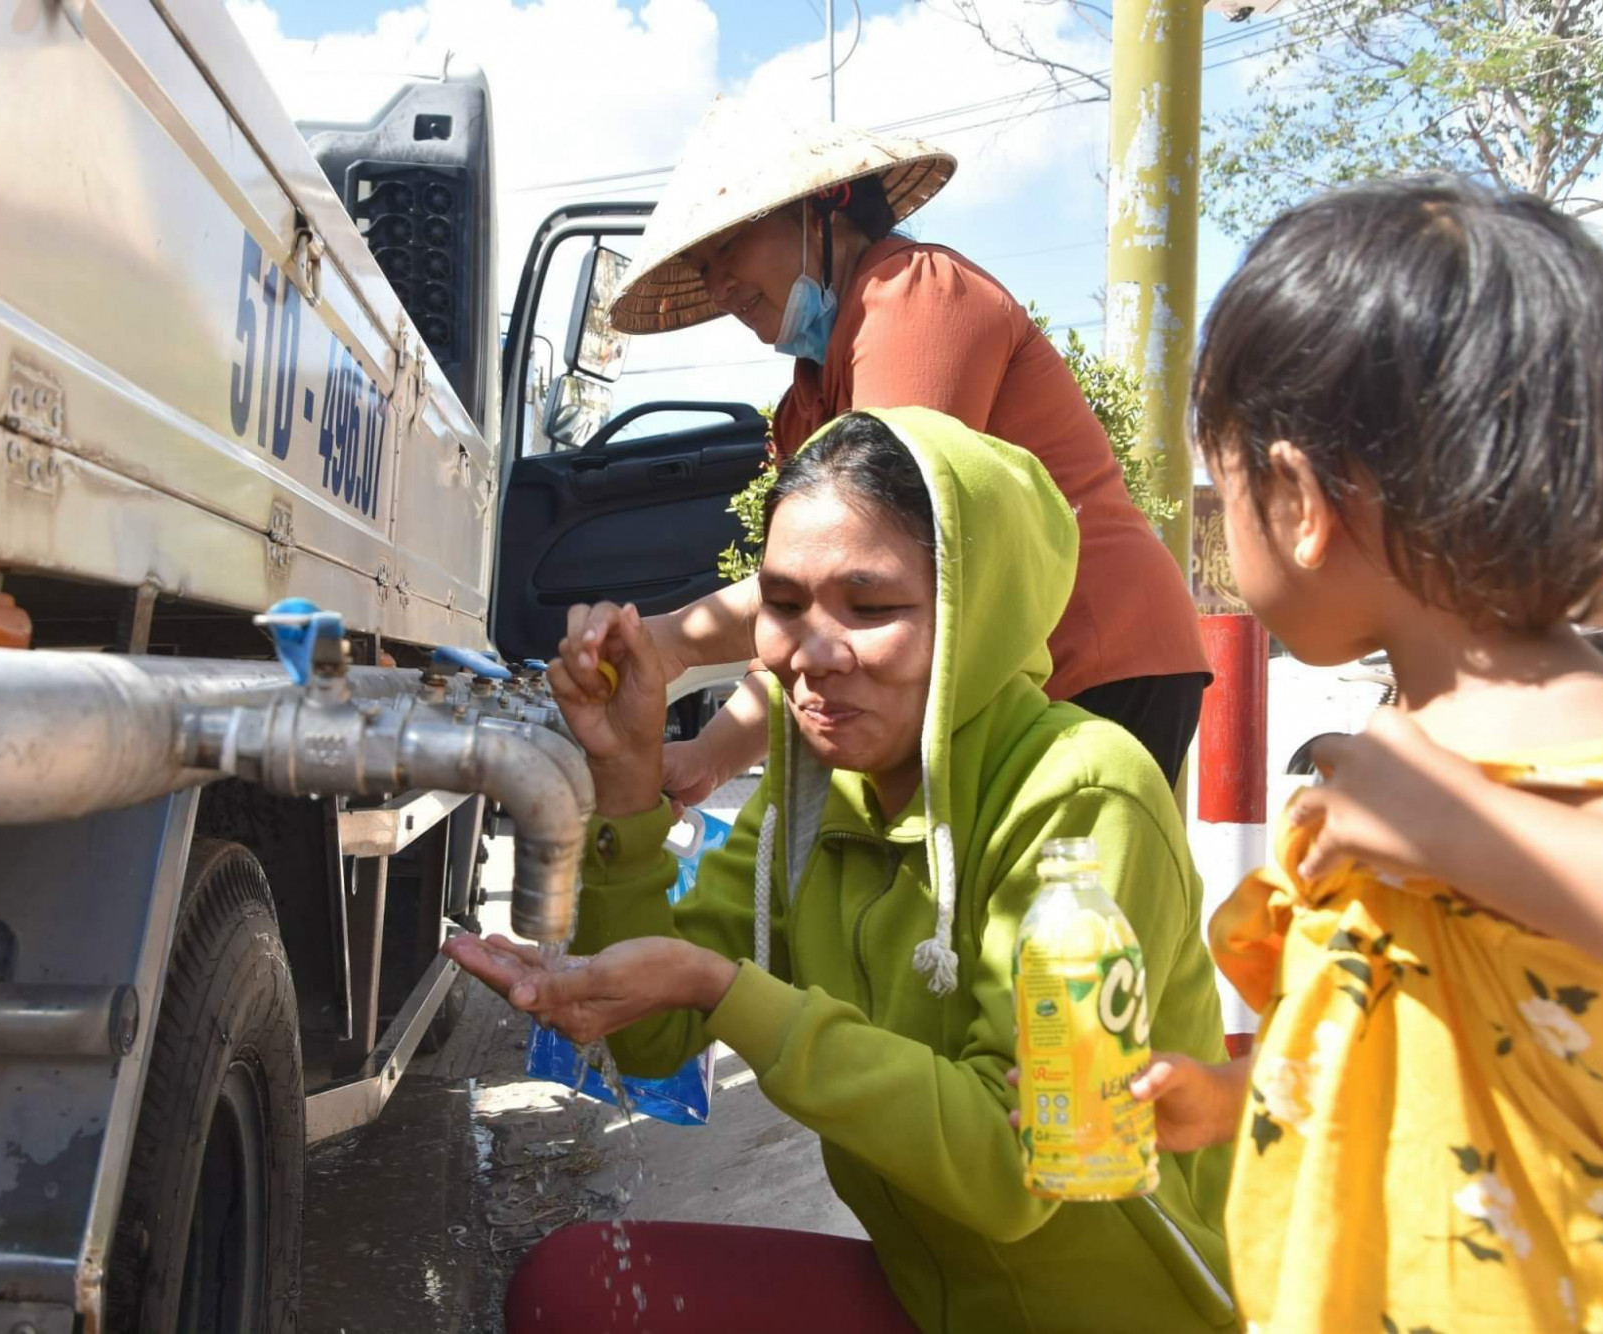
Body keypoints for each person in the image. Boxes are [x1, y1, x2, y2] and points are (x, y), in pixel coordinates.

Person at [446, 408, 1238, 1332]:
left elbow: (1015, 1174)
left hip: (1116, 1319)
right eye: (784, 605)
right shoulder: (811, 793)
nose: (812, 656)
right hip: (934, 1300)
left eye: (871, 608)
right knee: (571, 1289)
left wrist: (726, 989)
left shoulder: (1082, 794)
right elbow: (648, 1042)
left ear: (974, 612)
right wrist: (623, 784)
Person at [1114, 176, 1603, 1332]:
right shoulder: (1383, 780)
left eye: (1225, 483)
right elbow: (1395, 1050)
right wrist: (1235, 1095)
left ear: (1293, 494)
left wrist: (1459, 828)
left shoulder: (1563, 777)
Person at [603, 100, 1208, 796]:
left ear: (823, 203)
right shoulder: (808, 396)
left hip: (1096, 656)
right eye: (703, 267)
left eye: (729, 248)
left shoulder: (913, 293)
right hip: (999, 683)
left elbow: (867, 559)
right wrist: (702, 760)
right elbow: (811, 621)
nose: (718, 285)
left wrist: (671, 639)